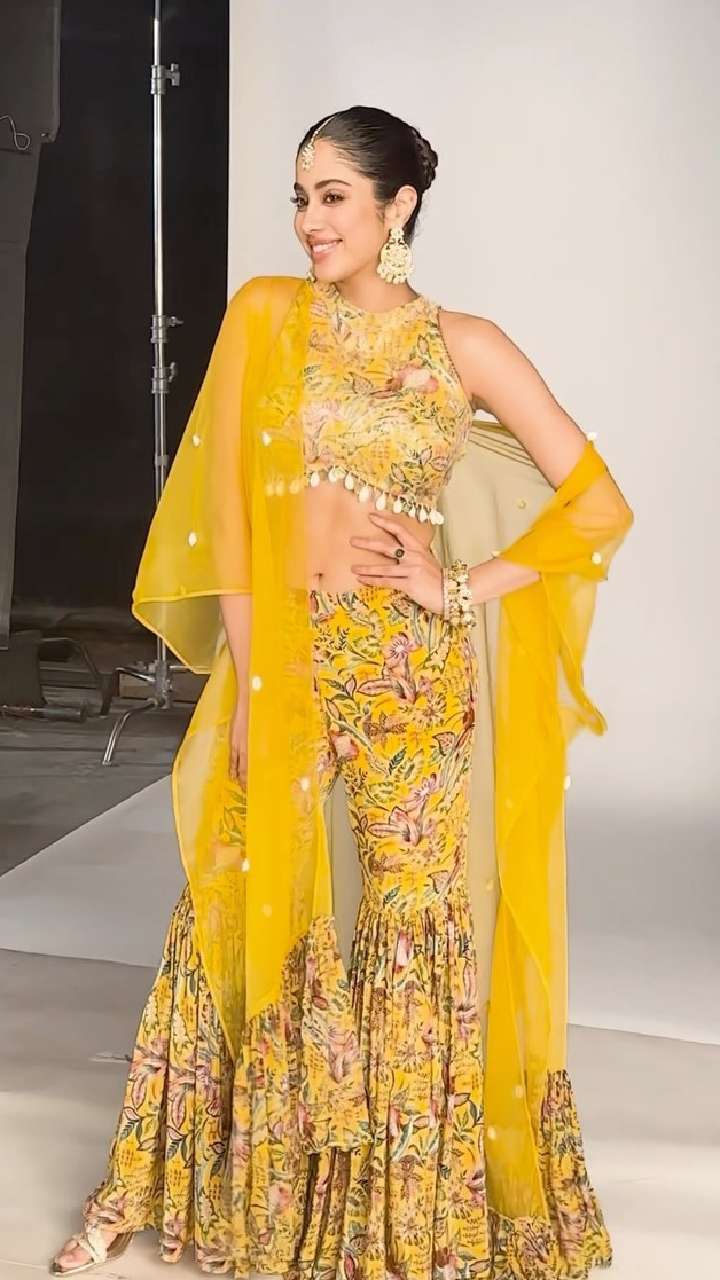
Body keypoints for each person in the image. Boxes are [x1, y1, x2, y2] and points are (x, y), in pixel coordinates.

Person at [51, 105, 633, 1280]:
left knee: (409, 931)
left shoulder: (465, 344)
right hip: (289, 655)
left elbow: (598, 502)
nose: (310, 221)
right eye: (300, 197)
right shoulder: (267, 316)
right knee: (234, 901)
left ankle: (400, 1216)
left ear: (396, 206)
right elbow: (227, 514)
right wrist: (259, 685)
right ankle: (150, 1181)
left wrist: (457, 584)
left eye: (333, 198)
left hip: (411, 675)